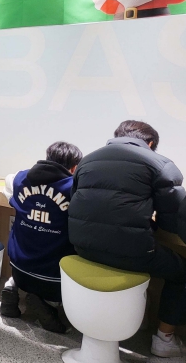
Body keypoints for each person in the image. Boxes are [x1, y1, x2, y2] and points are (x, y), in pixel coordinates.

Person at [69, 121, 186, 358]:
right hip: (131, 253)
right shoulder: (161, 164)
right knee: (181, 272)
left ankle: (136, 315)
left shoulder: (88, 160)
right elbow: (171, 221)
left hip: (82, 247)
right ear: (150, 144)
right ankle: (165, 339)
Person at [0, 141, 83, 333]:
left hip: (19, 267)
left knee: (28, 236)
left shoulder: (18, 179)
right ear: (74, 168)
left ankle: (12, 286)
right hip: (53, 277)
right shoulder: (75, 188)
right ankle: (48, 303)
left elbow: (8, 189)